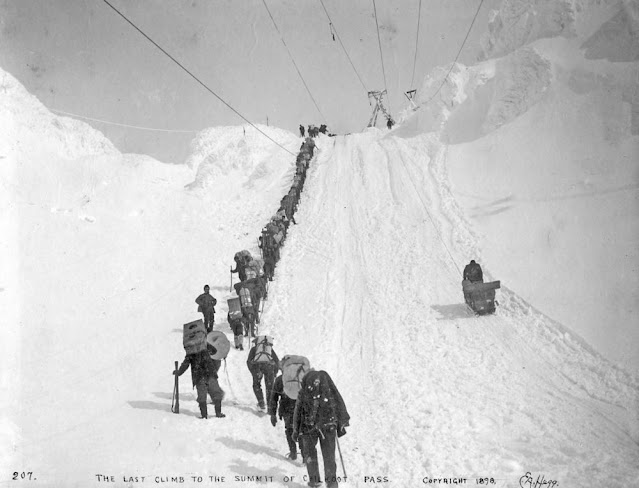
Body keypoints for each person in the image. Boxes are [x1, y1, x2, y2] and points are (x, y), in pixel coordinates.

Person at [293, 370, 349, 488]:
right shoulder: (328, 387)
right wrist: (342, 422)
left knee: (310, 455)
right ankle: (332, 482)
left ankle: (314, 481)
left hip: (308, 426)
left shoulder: (304, 390)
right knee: (329, 456)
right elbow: (339, 401)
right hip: (328, 425)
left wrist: (295, 430)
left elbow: (298, 410)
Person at [174, 343, 225, 419]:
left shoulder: (192, 350)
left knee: (204, 395)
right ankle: (217, 413)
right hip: (208, 373)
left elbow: (186, 363)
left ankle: (205, 415)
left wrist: (179, 372)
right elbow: (214, 351)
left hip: (199, 375)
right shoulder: (203, 345)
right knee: (215, 393)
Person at [269, 373, 302, 460]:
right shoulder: (303, 377)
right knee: (303, 430)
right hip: (301, 408)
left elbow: (274, 397)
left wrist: (273, 414)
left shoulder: (281, 379)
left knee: (289, 429)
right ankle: (305, 455)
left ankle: (293, 452)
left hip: (287, 408)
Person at [246, 336, 280, 410]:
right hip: (269, 367)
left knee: (256, 385)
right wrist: (275, 372)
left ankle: (261, 403)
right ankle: (270, 406)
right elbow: (277, 361)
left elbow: (248, 361)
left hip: (257, 367)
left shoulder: (254, 349)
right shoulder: (269, 350)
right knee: (270, 387)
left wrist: (253, 373)